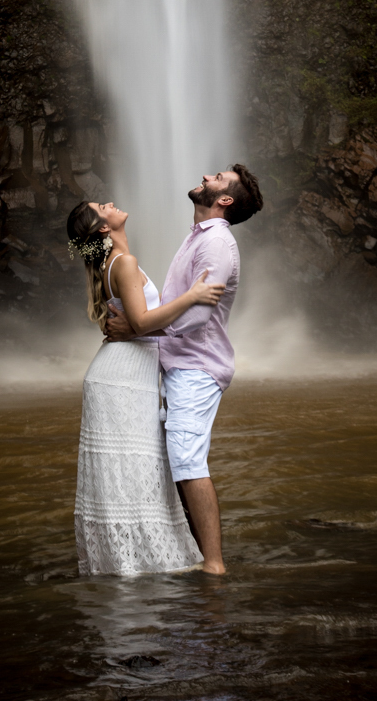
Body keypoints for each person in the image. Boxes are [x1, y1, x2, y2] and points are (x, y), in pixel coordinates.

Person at [107, 164, 263, 575]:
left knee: (187, 460)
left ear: (225, 200)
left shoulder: (216, 244)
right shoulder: (193, 239)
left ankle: (213, 565)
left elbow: (195, 317)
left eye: (217, 177)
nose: (208, 176)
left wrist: (140, 327)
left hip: (196, 366)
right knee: (175, 459)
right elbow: (181, 307)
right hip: (167, 362)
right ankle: (195, 554)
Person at [66, 197, 224, 576]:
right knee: (131, 468)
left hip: (120, 375)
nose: (110, 202)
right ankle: (138, 563)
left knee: (130, 469)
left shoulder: (113, 262)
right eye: (101, 206)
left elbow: (135, 323)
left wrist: (139, 325)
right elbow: (139, 321)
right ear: (104, 228)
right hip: (123, 379)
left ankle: (129, 562)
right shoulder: (124, 263)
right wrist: (192, 297)